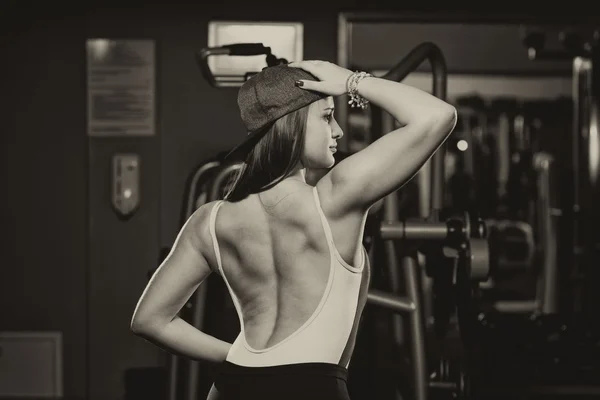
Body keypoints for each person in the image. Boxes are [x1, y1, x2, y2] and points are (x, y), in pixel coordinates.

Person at [130, 60, 457, 400]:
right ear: (295, 124)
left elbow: (149, 320)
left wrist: (239, 360)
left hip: (232, 387)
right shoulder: (336, 196)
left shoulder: (210, 220)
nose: (339, 132)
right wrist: (350, 81)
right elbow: (438, 116)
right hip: (313, 389)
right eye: (327, 116)